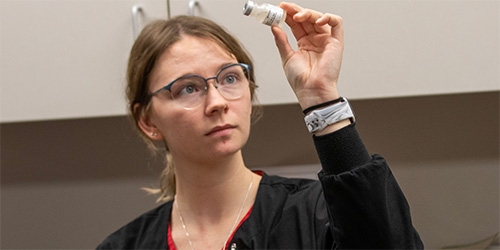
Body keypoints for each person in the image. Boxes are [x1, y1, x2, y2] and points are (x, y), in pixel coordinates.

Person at [97, 2, 423, 249]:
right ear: (148, 120)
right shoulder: (124, 245)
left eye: (229, 78)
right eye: (188, 88)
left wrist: (321, 96)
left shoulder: (316, 214)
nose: (218, 102)